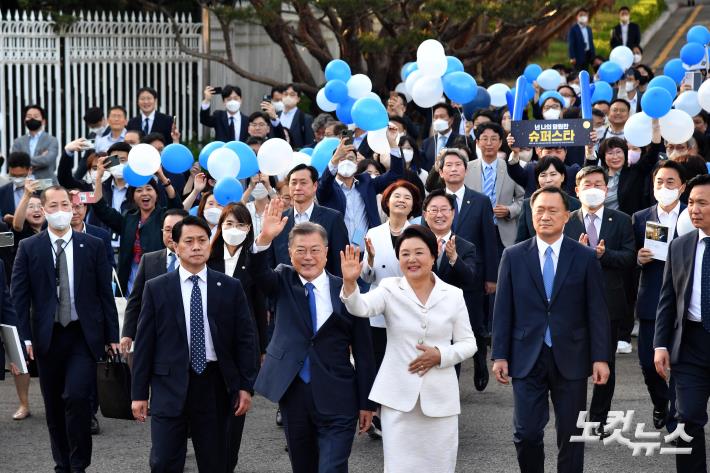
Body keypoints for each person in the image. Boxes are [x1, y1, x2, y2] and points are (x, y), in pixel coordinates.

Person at [250, 201, 377, 473]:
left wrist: (368, 403)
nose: (308, 257)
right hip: (294, 393)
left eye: (315, 250)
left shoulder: (346, 289)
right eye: (301, 251)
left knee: (332, 467)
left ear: (327, 252)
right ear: (289, 253)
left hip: (339, 394)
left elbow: (365, 351)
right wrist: (264, 239)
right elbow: (258, 274)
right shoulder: (282, 280)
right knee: (303, 466)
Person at [492, 186, 611, 473]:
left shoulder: (584, 256)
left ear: (567, 216)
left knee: (571, 436)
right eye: (539, 210)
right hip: (525, 355)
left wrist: (601, 357)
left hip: (572, 355)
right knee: (526, 433)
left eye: (552, 210)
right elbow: (503, 309)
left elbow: (597, 311)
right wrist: (499, 355)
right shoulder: (514, 255)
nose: (545, 216)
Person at [341, 224, 476, 472]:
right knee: (399, 466)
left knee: (440, 466)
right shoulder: (389, 288)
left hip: (440, 400)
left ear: (434, 254)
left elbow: (469, 344)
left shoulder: (453, 294)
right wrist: (350, 284)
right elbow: (360, 307)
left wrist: (441, 355)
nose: (412, 259)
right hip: (398, 399)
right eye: (405, 254)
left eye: (418, 252)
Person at [131, 216, 258, 473]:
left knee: (215, 461)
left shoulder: (229, 287)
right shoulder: (157, 288)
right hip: (169, 383)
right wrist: (138, 393)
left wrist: (246, 386)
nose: (197, 246)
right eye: (188, 241)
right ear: (175, 246)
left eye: (202, 240)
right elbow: (145, 343)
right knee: (164, 461)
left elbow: (246, 339)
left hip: (214, 384)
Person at [11, 186, 119, 473]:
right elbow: (19, 297)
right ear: (44, 211)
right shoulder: (29, 248)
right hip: (47, 336)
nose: (61, 210)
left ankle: (79, 463)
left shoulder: (92, 245)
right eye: (53, 205)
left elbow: (104, 295)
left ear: (73, 209)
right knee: (55, 407)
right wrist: (23, 338)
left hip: (83, 335)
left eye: (65, 205)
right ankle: (63, 464)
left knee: (77, 397)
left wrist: (112, 337)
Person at [563, 166, 635, 436]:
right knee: (574, 361)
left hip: (609, 301)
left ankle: (598, 419)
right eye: (587, 184)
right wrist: (579, 254)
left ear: (606, 189)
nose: (593, 189)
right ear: (577, 190)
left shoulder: (621, 219)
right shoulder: (567, 220)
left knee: (606, 361)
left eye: (598, 184)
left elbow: (629, 259)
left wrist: (603, 255)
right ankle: (574, 414)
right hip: (573, 302)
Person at [653, 173, 710, 472]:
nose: (694, 209)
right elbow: (667, 300)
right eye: (691, 203)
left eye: (702, 203)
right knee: (686, 420)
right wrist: (660, 344)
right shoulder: (680, 246)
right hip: (690, 345)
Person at [207, 203, 266, 472]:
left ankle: (227, 464)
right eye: (229, 224)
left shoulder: (254, 260)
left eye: (240, 225)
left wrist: (262, 347)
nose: (234, 230)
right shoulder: (207, 256)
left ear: (249, 228)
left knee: (235, 412)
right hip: (208, 342)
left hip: (242, 344)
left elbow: (259, 306)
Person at [436, 148, 498, 389]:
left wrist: (491, 276)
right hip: (441, 273)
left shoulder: (480, 200)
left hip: (472, 273)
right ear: (441, 172)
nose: (453, 169)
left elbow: (489, 240)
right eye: (448, 165)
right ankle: (450, 379)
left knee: (473, 324)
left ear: (466, 169)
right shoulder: (434, 200)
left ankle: (479, 359)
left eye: (457, 165)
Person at [632, 160, 686, 433]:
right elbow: (631, 258)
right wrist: (638, 258)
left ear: (682, 186)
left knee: (681, 365)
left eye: (670, 182)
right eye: (659, 183)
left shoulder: (692, 215)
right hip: (652, 298)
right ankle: (660, 402)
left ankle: (677, 418)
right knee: (647, 361)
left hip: (686, 301)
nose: (664, 188)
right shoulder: (641, 218)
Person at [91, 158, 182, 294]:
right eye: (139, 190)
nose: (144, 193)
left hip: (158, 275)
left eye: (149, 189)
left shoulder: (164, 216)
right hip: (130, 276)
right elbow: (101, 208)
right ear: (133, 196)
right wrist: (98, 177)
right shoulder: (128, 217)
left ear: (156, 195)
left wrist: (162, 178)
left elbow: (177, 206)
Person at [120, 209, 188, 353]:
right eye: (168, 230)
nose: (171, 235)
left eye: (177, 229)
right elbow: (135, 300)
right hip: (154, 335)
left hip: (188, 334)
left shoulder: (197, 261)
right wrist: (127, 333)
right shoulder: (149, 260)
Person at [317, 130, 402, 245]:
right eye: (342, 159)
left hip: (368, 253)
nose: (346, 161)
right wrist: (335, 159)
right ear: (335, 162)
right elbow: (323, 185)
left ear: (357, 164)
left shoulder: (367, 182)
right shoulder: (328, 187)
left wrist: (393, 144)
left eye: (351, 159)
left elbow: (395, 174)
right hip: (338, 252)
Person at [270, 164, 349, 278]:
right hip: (285, 290)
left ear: (315, 186)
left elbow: (339, 263)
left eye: (303, 182)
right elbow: (270, 263)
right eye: (293, 183)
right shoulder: (278, 220)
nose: (297, 187)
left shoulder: (333, 218)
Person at [464, 122, 525, 251]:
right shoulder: (467, 169)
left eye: (494, 139)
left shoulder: (511, 168)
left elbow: (522, 199)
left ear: (500, 142)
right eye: (484, 139)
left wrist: (509, 210)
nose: (489, 143)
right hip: (474, 233)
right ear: (477, 142)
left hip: (503, 232)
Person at [516, 156, 582, 243]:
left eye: (553, 174)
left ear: (562, 177)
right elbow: (521, 241)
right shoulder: (527, 204)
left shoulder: (576, 204)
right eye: (543, 175)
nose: (548, 180)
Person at [11, 104, 59, 181]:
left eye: (36, 116)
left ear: (43, 121)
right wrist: (39, 159)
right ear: (24, 121)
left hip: (46, 186)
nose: (32, 119)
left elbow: (47, 160)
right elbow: (15, 162)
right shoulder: (18, 141)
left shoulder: (52, 140)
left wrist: (23, 162)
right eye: (29, 116)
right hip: (23, 184)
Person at [421, 103, 460, 171]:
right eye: (435, 117)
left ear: (451, 120)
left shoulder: (461, 140)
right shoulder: (426, 143)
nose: (438, 120)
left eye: (442, 117)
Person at [275, 84, 314, 149]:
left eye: (292, 95)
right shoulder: (276, 116)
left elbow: (309, 143)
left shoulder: (305, 118)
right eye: (285, 94)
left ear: (298, 99)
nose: (288, 97)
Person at [0, 151, 32, 222]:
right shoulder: (2, 192)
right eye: (13, 175)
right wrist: (4, 219)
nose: (17, 179)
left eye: (21, 176)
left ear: (29, 170)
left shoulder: (41, 191)